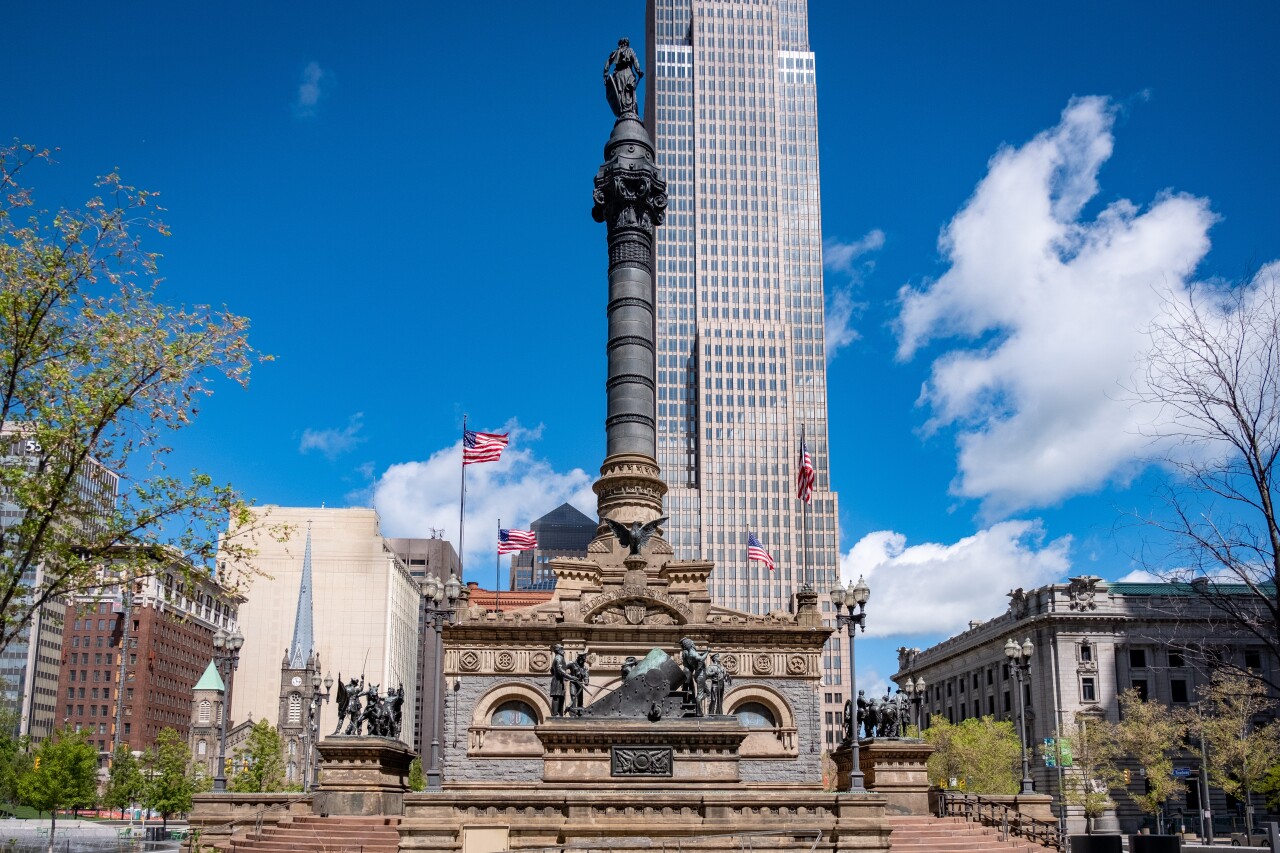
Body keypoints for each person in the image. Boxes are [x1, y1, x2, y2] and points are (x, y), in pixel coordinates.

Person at [603, 37, 644, 117]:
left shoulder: (615, 52)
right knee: (629, 92)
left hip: (617, 75)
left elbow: (607, 63)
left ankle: (623, 110)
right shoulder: (630, 50)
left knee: (620, 93)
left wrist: (605, 75)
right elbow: (635, 61)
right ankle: (630, 110)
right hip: (627, 73)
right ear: (626, 44)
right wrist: (639, 71)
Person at [679, 637, 709, 716]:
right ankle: (698, 708)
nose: (693, 644)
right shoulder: (692, 652)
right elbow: (701, 658)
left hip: (695, 674)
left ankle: (695, 703)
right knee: (699, 693)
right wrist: (707, 652)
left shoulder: (686, 653)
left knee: (706, 692)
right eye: (692, 643)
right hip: (699, 674)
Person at [550, 643, 568, 717]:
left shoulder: (559, 657)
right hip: (557, 680)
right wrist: (569, 676)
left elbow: (552, 670)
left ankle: (559, 713)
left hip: (559, 679)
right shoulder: (559, 657)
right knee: (557, 696)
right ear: (558, 650)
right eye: (561, 649)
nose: (563, 651)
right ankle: (555, 714)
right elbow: (559, 669)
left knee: (560, 696)